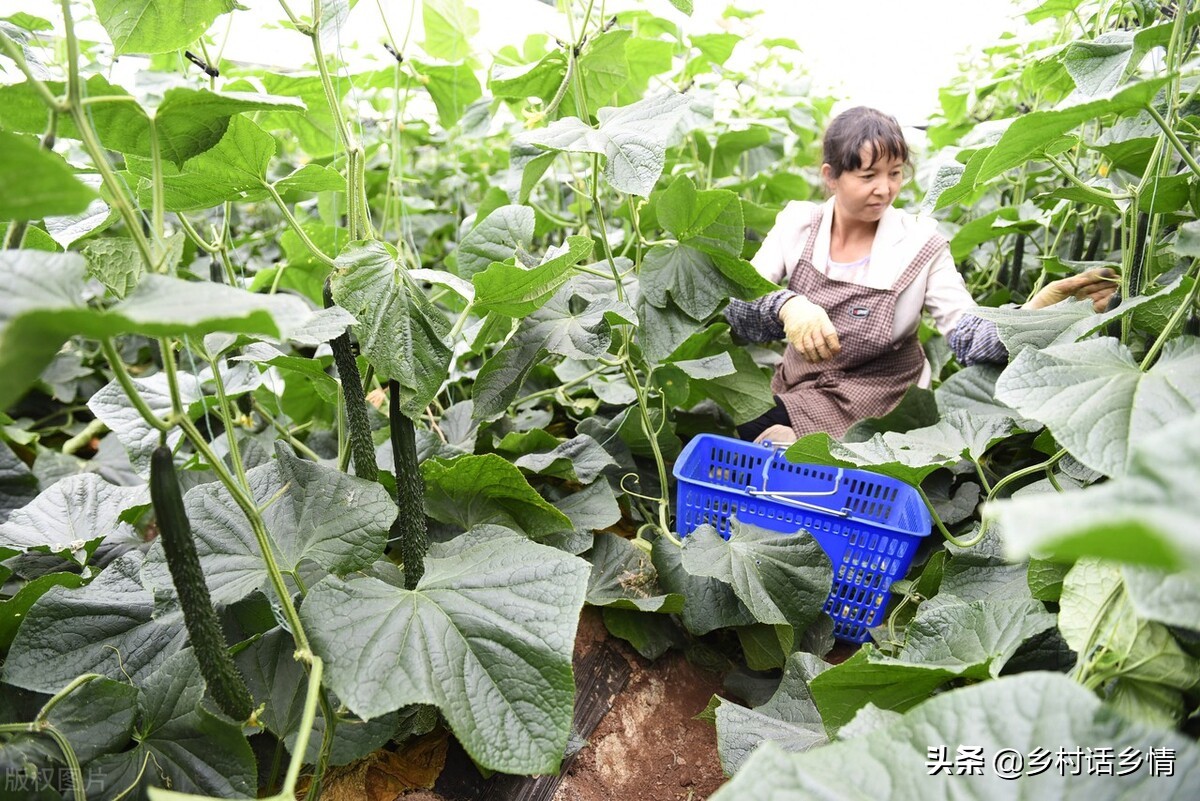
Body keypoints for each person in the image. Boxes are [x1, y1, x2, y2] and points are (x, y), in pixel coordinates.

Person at [726, 106, 1116, 444]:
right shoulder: (798, 225)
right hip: (800, 392)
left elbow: (967, 337)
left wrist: (1034, 313)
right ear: (831, 177)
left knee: (784, 450)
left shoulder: (919, 243)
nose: (884, 189)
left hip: (883, 408)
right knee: (744, 423)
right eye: (868, 176)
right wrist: (787, 306)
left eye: (895, 173)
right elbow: (737, 308)